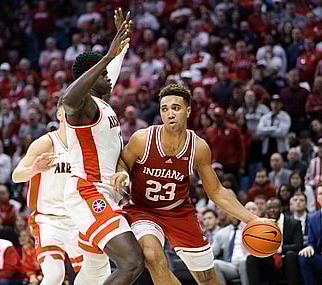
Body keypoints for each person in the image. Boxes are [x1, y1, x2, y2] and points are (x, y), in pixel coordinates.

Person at [112, 84, 261, 285]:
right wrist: (122, 174)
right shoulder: (142, 139)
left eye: (176, 108)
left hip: (179, 211)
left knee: (207, 278)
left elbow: (216, 191)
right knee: (152, 257)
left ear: (188, 111)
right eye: (164, 109)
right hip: (143, 209)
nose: (170, 114)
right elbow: (123, 163)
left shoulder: (198, 147)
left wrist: (252, 220)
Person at [61, 9, 145, 285]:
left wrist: (121, 45)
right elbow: (68, 98)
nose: (109, 76)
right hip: (87, 191)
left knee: (96, 273)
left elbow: (111, 68)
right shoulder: (81, 107)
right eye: (102, 73)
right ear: (89, 76)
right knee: (131, 263)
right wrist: (107, 56)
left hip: (105, 192)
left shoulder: (102, 102)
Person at [12, 93, 102, 284]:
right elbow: (16, 175)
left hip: (78, 220)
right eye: (68, 110)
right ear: (59, 114)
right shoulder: (47, 143)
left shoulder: (87, 145)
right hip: (49, 220)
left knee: (95, 276)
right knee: (55, 276)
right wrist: (35, 168)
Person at [246, 198, 303, 285]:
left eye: (275, 208)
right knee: (251, 258)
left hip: (286, 260)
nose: (272, 210)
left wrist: (278, 249)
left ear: (281, 209)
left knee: (290, 255)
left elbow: (298, 245)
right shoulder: (262, 224)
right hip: (269, 261)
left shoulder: (294, 223)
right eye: (269, 208)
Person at [212, 215, 249, 285]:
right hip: (231, 266)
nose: (234, 215)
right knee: (215, 264)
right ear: (227, 215)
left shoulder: (249, 228)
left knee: (243, 261)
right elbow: (213, 251)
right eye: (231, 213)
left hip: (246, 263)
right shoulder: (221, 233)